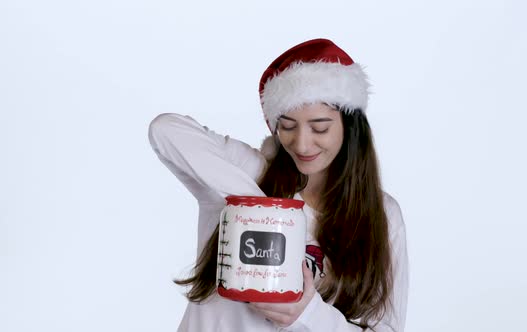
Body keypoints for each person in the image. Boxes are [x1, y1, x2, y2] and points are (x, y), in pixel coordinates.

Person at [148, 38, 408, 332]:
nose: (302, 142)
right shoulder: (248, 173)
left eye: (320, 127)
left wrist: (308, 315)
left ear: (350, 126)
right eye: (287, 126)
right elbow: (165, 129)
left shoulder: (382, 214)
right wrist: (264, 211)